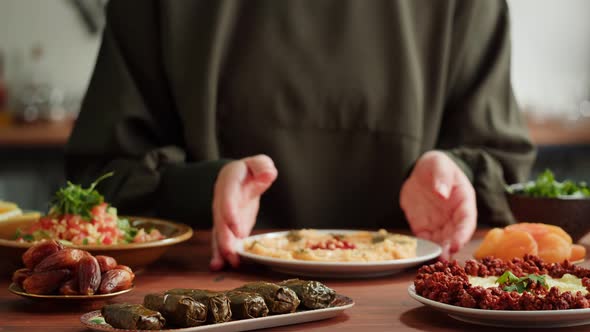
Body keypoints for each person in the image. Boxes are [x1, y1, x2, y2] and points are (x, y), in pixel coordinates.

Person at [65, 0, 535, 270]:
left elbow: (504, 165)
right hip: (208, 300)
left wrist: (456, 172)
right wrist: (202, 188)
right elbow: (100, 180)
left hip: (418, 301)